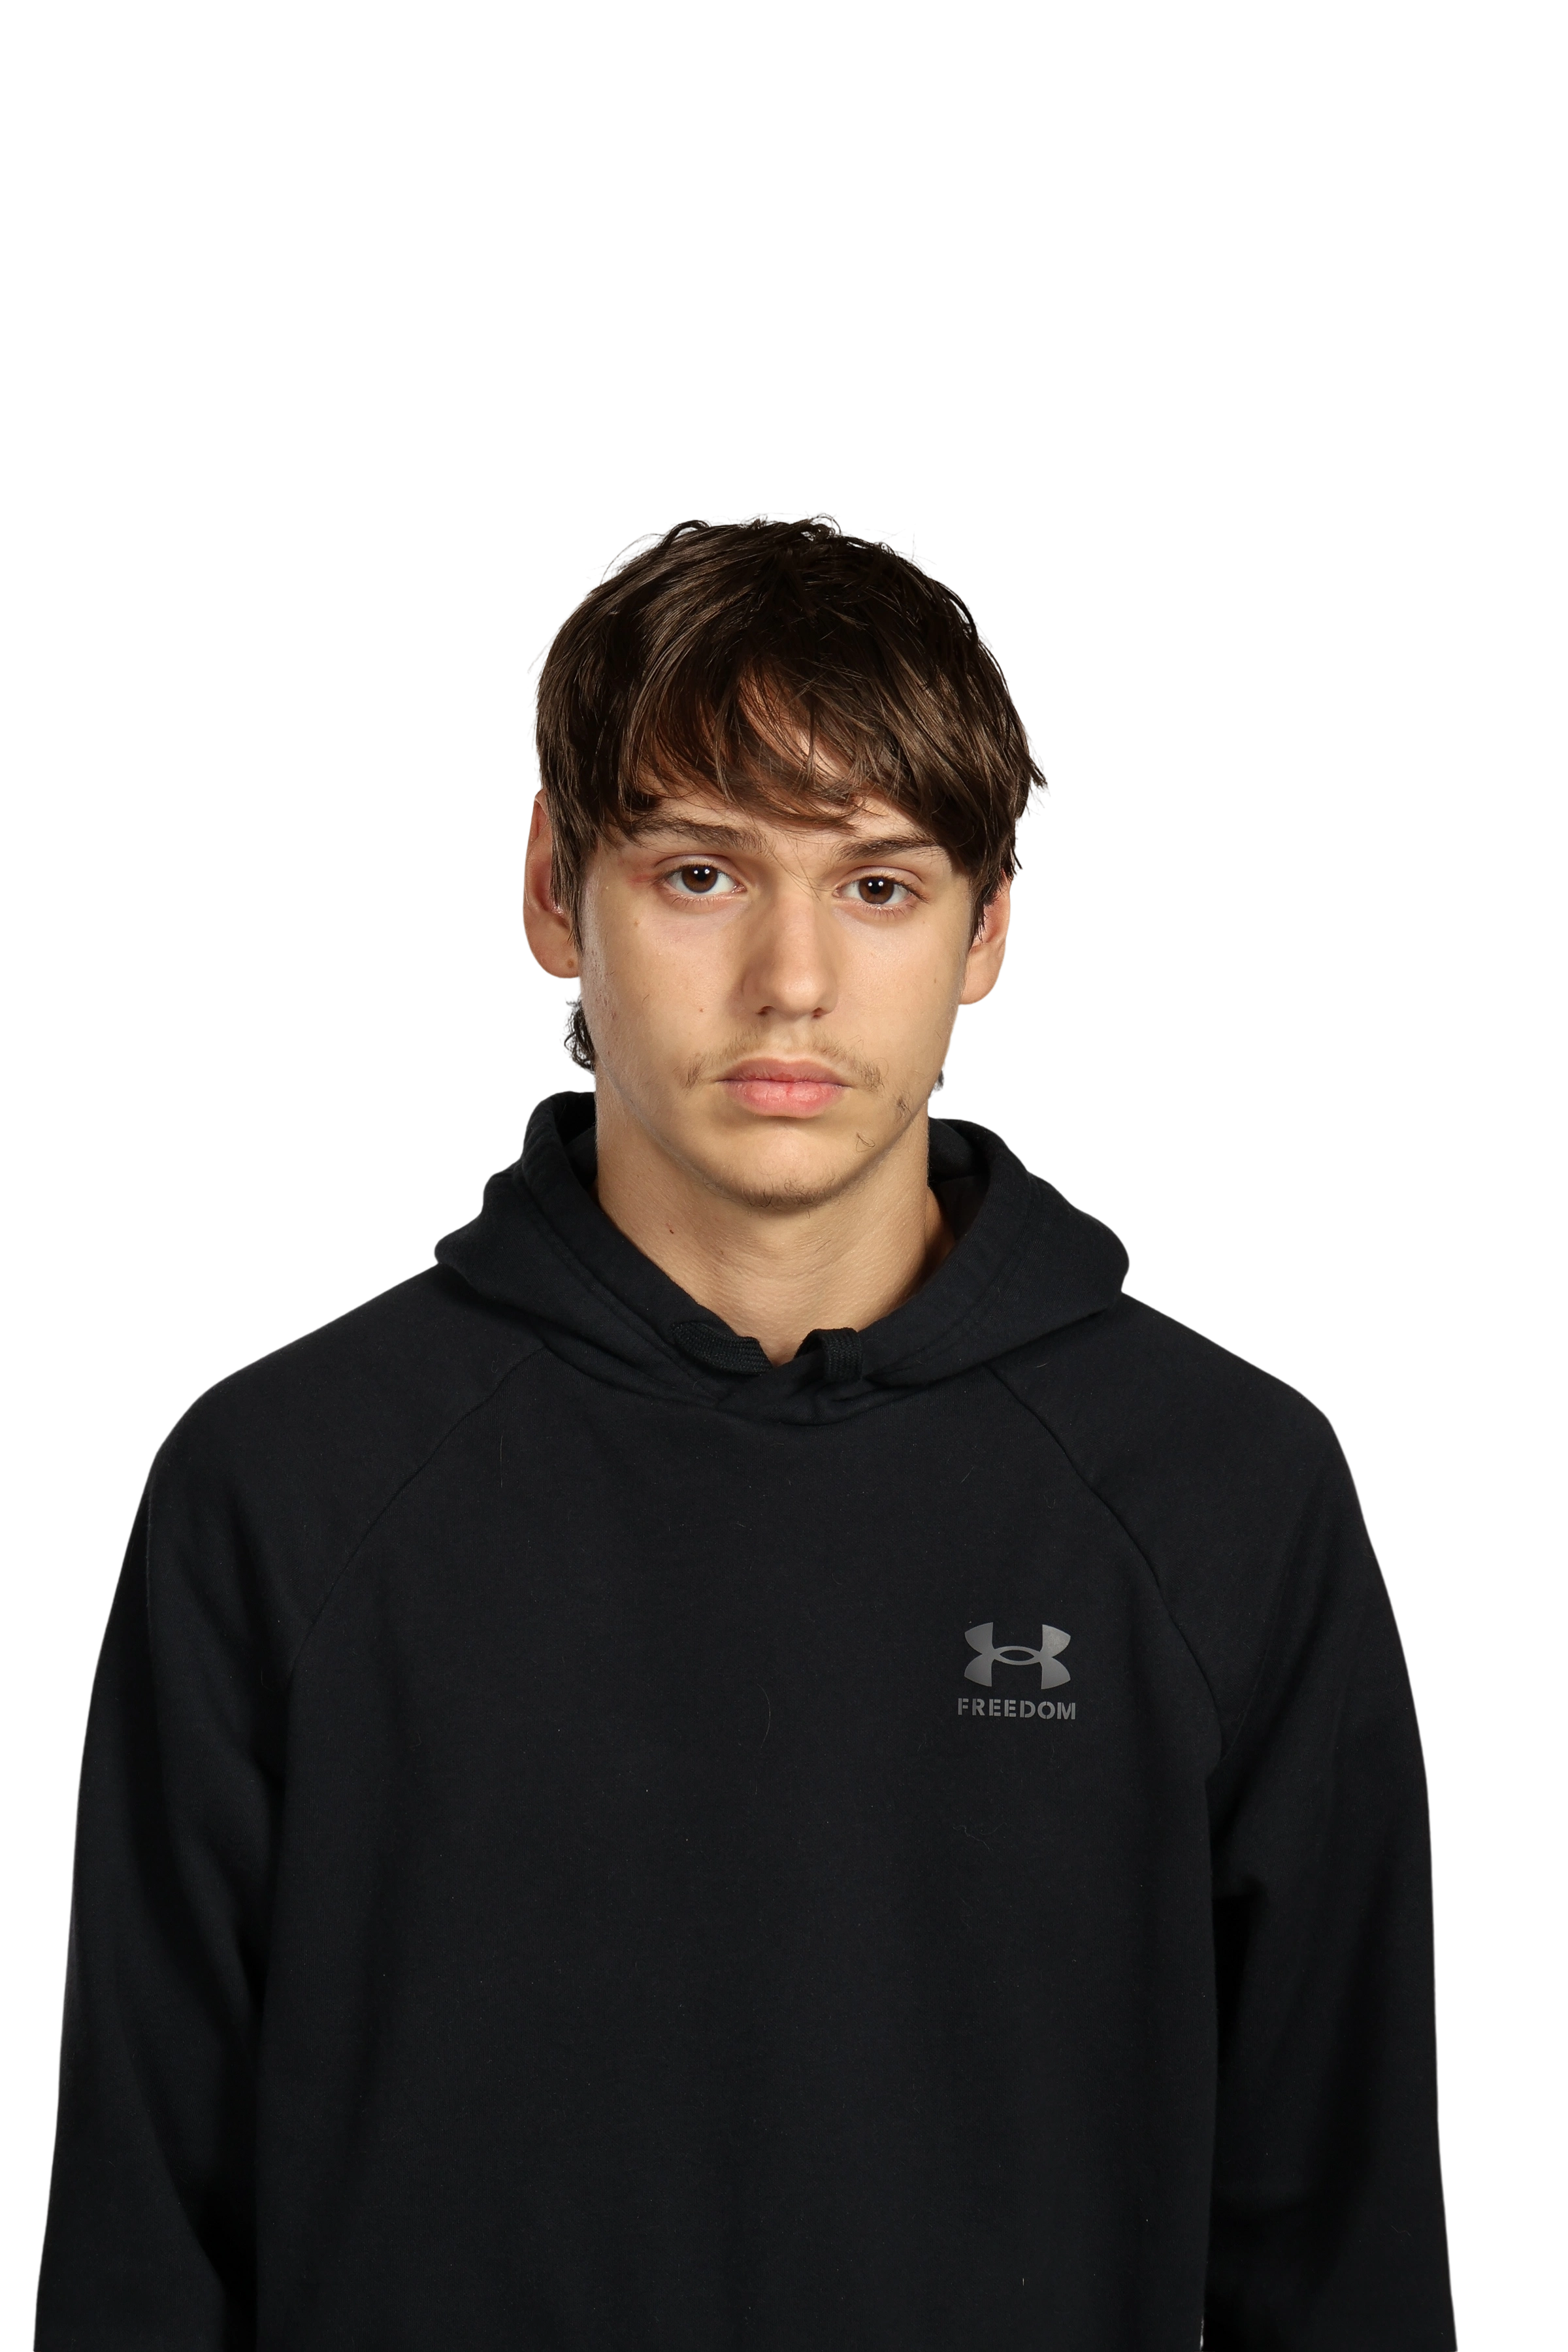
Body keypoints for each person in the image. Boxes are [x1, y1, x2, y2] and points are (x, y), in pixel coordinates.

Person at [35, 510, 1458, 2351]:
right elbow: (144, 2238)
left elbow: (1341, 2251)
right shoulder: (283, 1489)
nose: (792, 980)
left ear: (989, 928)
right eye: (701, 873)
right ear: (554, 891)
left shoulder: (1224, 1492)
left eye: (878, 886)